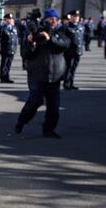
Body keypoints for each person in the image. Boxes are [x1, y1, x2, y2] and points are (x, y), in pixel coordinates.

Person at [14, 9, 69, 138]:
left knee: (53, 106)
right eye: (50, 19)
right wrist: (30, 42)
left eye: (55, 19)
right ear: (45, 20)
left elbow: (64, 45)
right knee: (34, 102)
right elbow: (25, 54)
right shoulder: (36, 33)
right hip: (37, 75)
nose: (53, 22)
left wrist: (49, 39)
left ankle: (48, 129)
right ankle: (22, 120)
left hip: (55, 76)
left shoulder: (60, 33)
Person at [0, 13, 18, 83]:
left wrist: (15, 48)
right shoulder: (2, 28)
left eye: (11, 19)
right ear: (5, 20)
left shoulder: (14, 28)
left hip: (12, 49)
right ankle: (2, 77)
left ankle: (7, 77)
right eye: (8, 19)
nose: (10, 20)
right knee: (4, 64)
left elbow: (15, 39)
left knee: (9, 64)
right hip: (5, 49)